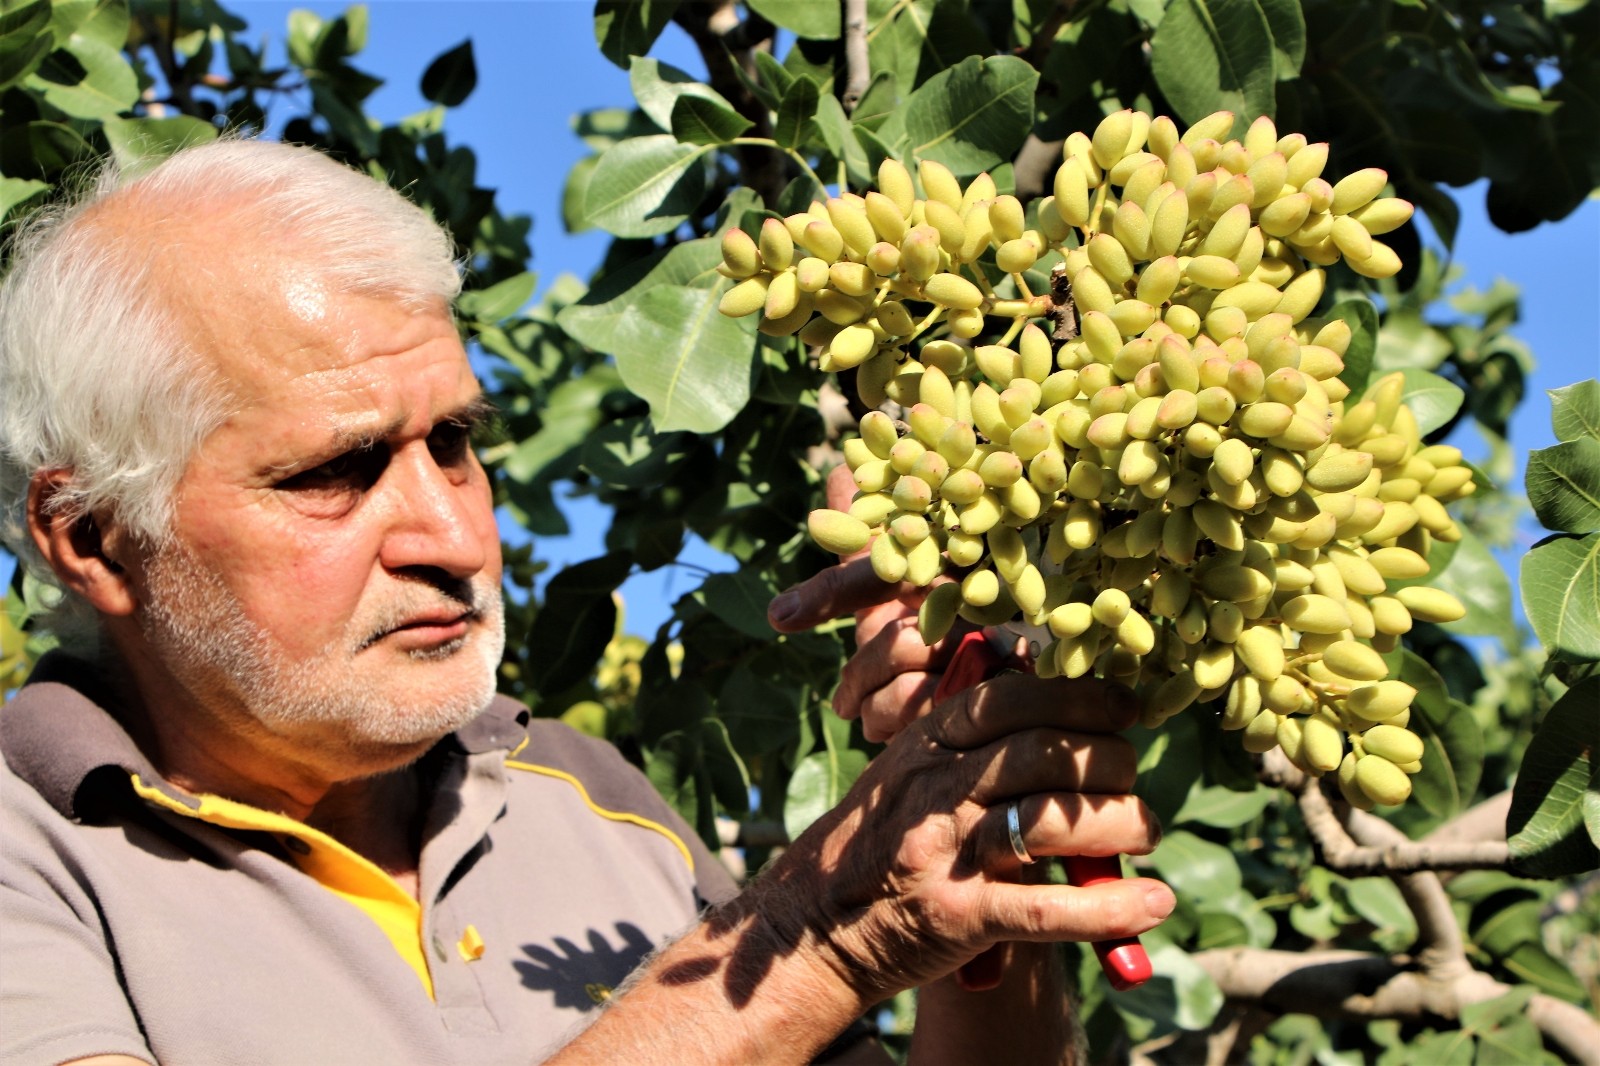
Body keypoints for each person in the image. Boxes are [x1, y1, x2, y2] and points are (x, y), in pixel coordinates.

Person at [0, 138, 1172, 1066]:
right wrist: (808, 938)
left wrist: (976, 846)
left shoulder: (582, 792)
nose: (455, 536)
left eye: (453, 441)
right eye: (336, 472)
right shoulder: (26, 854)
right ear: (95, 538)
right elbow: (797, 965)